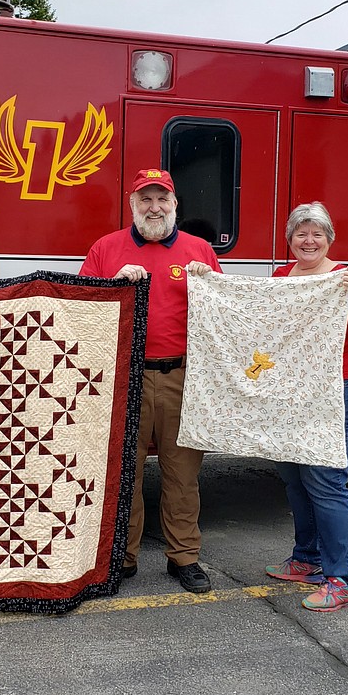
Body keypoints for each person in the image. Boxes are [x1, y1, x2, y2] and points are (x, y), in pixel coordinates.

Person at [80, 168, 222, 593]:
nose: (154, 207)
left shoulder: (199, 251)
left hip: (183, 376)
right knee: (126, 473)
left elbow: (223, 316)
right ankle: (121, 556)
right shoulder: (106, 249)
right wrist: (112, 286)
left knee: (182, 475)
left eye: (163, 199)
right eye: (146, 199)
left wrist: (210, 285)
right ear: (132, 205)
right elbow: (81, 306)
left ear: (175, 205)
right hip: (125, 377)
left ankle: (184, 558)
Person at [264, 201, 348, 611]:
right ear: (290, 240)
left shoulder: (344, 280)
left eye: (317, 233)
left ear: (329, 239)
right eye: (301, 232)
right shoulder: (282, 277)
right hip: (292, 391)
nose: (309, 239)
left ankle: (343, 580)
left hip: (340, 387)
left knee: (325, 480)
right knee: (293, 477)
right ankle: (308, 559)